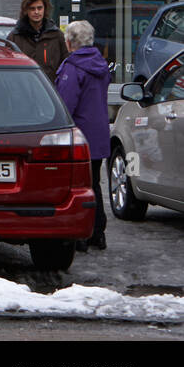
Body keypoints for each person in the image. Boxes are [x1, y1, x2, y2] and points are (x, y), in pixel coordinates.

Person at [54, 20, 111, 251]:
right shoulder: (100, 64)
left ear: (70, 42)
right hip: (99, 133)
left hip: (79, 135)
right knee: (94, 183)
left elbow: (65, 105)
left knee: (79, 186)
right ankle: (98, 232)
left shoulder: (73, 67)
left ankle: (82, 234)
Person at [7, 0, 68, 83]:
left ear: (45, 9)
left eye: (39, 8)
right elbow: (8, 69)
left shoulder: (57, 35)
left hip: (50, 91)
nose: (36, 12)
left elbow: (66, 64)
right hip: (23, 89)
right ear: (26, 11)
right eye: (32, 8)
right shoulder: (15, 37)